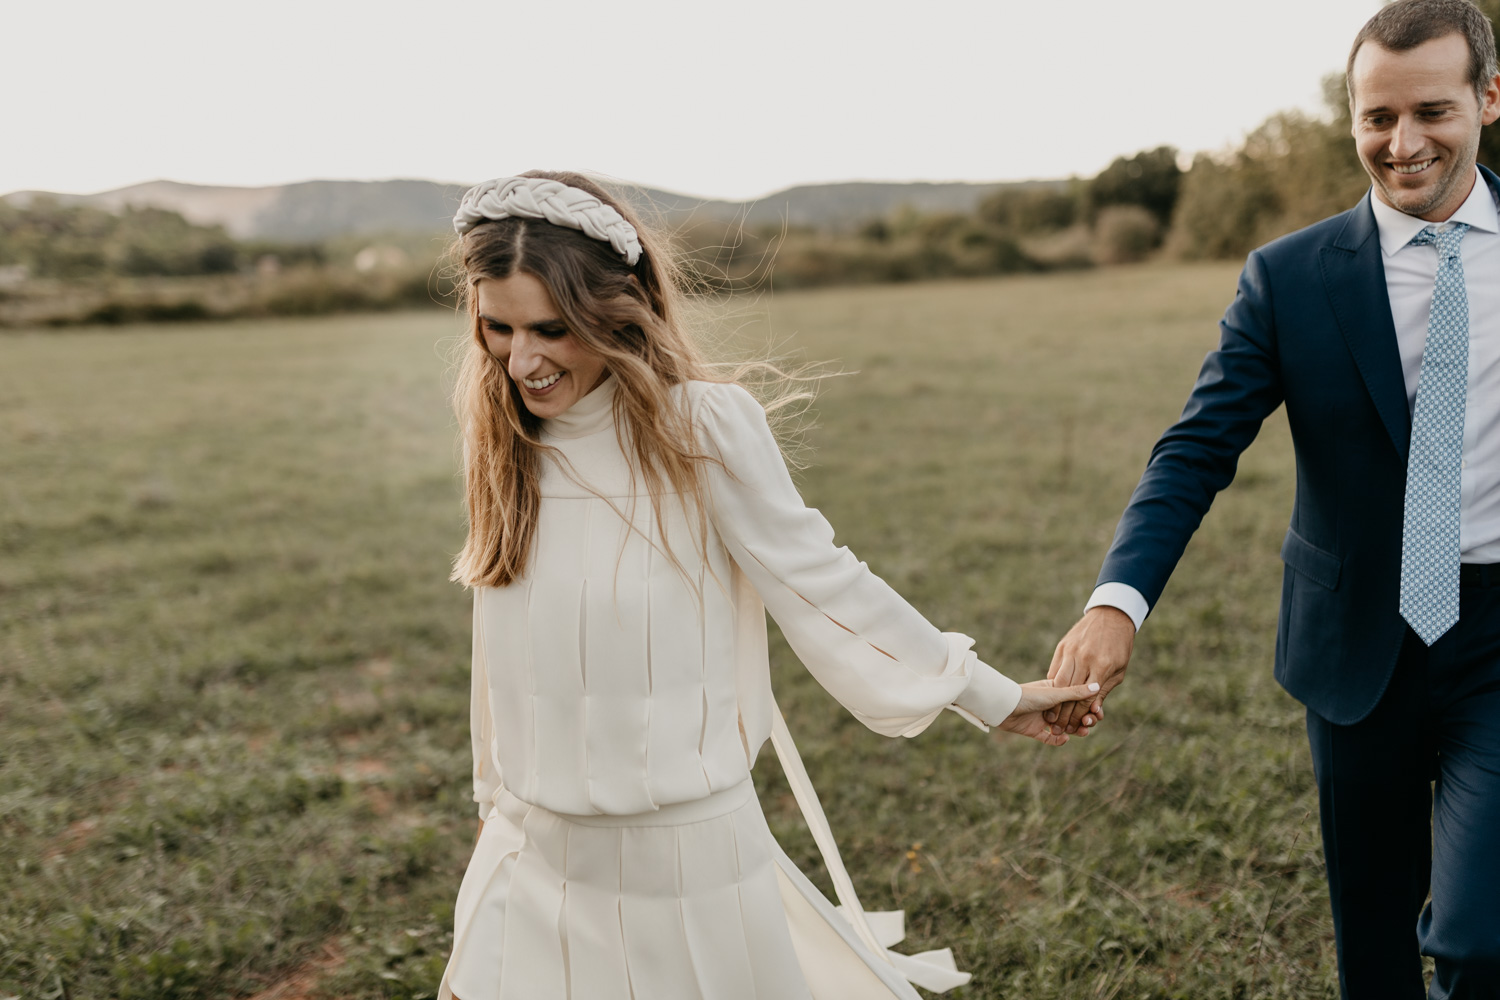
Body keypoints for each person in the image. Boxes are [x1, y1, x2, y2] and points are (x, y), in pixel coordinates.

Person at [437, 170, 1101, 1000]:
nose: (523, 360)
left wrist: (987, 693)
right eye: (498, 328)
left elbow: (820, 578)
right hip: (531, 851)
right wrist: (492, 798)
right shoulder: (504, 438)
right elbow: (497, 642)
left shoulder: (700, 429)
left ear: (615, 312)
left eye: (551, 329)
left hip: (681, 865)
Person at [1044, 1, 1500, 996]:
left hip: (1498, 637)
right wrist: (1116, 602)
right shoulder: (1288, 278)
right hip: (1355, 647)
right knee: (1375, 950)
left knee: (1479, 940)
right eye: (1378, 118)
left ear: (1489, 99)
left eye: (1432, 109)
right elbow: (1196, 448)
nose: (1404, 141)